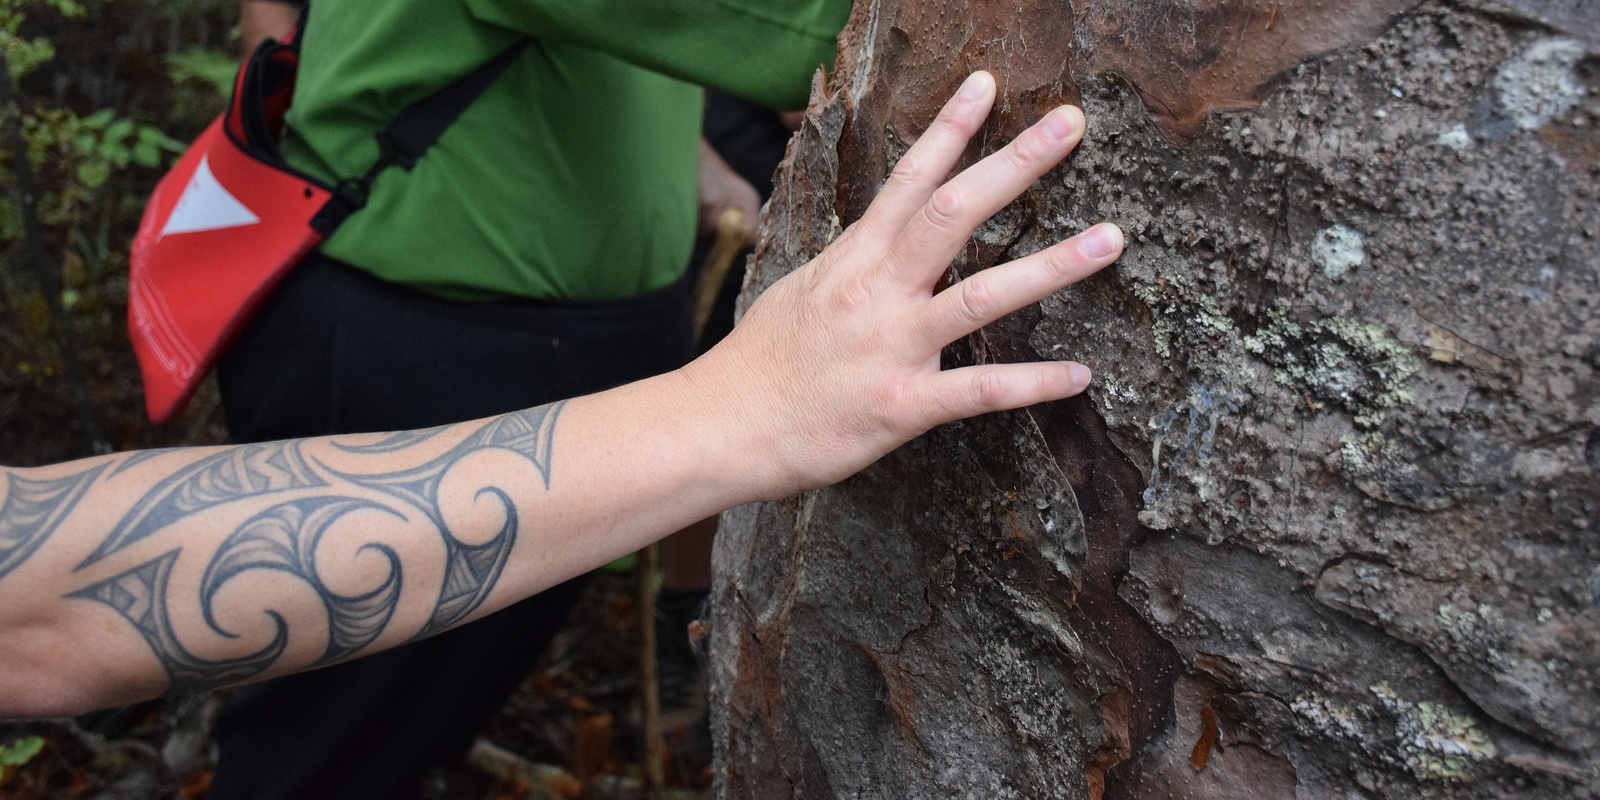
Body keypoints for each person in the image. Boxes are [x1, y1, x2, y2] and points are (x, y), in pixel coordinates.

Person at [0, 76, 1122, 724]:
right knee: (337, 737)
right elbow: (34, 603)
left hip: (590, 316)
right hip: (427, 314)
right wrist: (737, 409)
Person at [205, 1, 842, 796]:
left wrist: (689, 152)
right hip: (425, 350)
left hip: (511, 344)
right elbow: (810, 29)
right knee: (333, 747)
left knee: (408, 718)